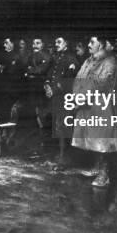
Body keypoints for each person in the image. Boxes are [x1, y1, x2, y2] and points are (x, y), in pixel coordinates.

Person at [71, 36, 117, 187]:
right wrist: (76, 96)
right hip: (86, 106)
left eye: (92, 42)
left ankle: (104, 175)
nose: (89, 45)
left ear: (102, 45)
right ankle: (97, 168)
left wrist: (82, 98)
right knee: (90, 138)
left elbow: (101, 85)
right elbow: (78, 79)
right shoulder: (88, 61)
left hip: (100, 106)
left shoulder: (109, 62)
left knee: (101, 141)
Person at [45, 36, 78, 166]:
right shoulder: (55, 58)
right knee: (56, 126)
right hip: (54, 98)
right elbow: (49, 75)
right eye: (55, 42)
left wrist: (53, 90)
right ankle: (58, 155)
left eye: (59, 42)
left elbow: (68, 81)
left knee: (63, 128)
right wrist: (47, 86)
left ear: (66, 44)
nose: (56, 44)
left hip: (65, 98)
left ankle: (64, 158)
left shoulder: (72, 59)